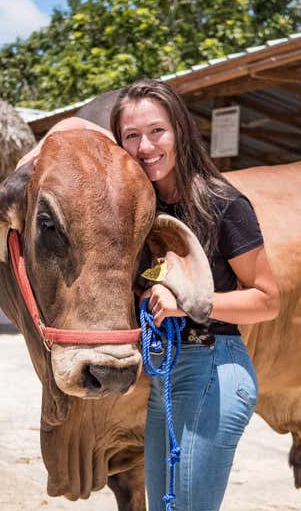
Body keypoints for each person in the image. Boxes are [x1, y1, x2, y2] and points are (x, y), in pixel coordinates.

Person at [109, 80, 280, 511]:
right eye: (131, 136)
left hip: (213, 369)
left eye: (157, 131)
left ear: (180, 131)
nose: (145, 146)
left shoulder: (225, 205)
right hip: (167, 376)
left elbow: (267, 299)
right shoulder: (142, 211)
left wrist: (188, 303)